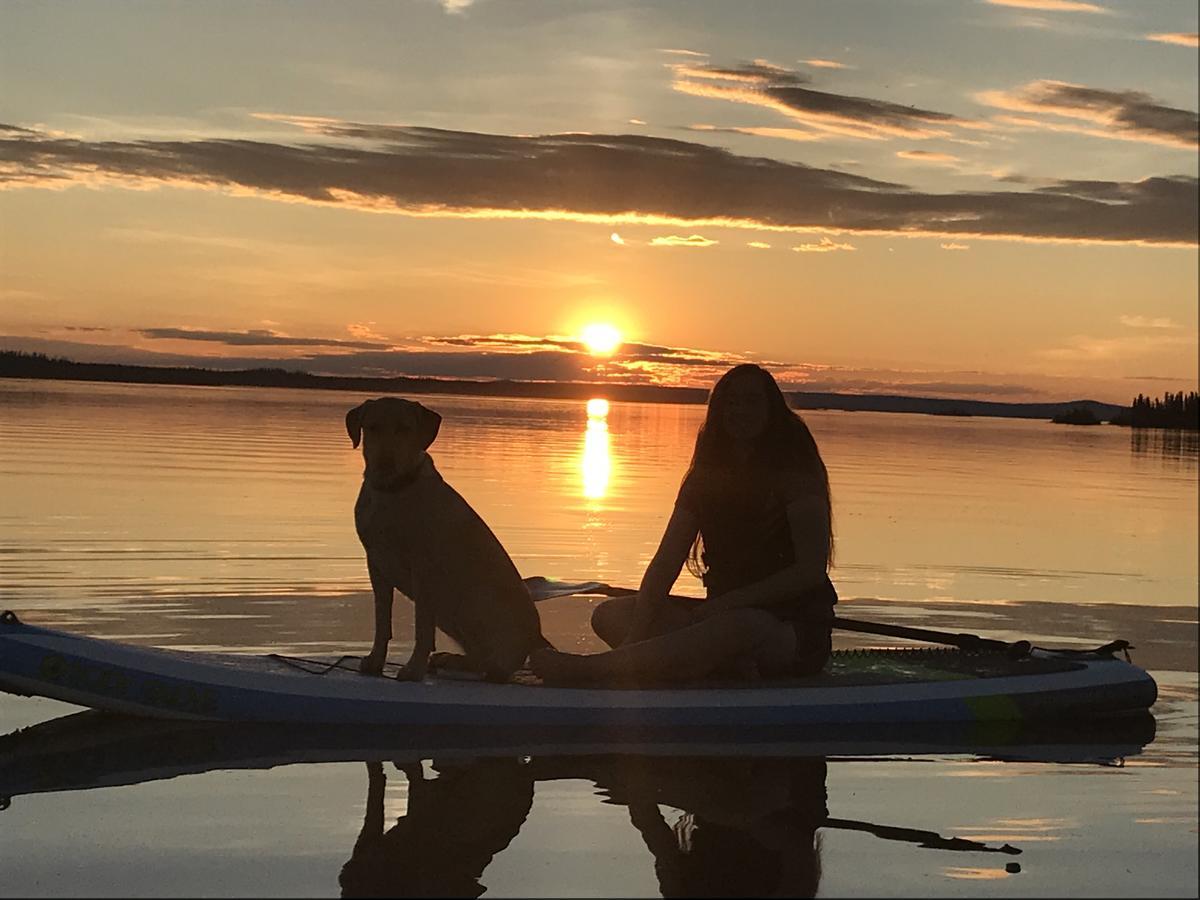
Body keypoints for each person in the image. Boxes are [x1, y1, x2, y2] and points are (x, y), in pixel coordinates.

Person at [531, 363, 836, 684]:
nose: (740, 411)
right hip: (717, 617)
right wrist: (637, 634)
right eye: (731, 402)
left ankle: (594, 670)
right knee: (611, 614)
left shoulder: (796, 478)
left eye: (751, 401)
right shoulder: (703, 480)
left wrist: (730, 604)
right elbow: (665, 563)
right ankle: (707, 665)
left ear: (771, 410)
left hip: (788, 629)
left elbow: (809, 571)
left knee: (741, 626)